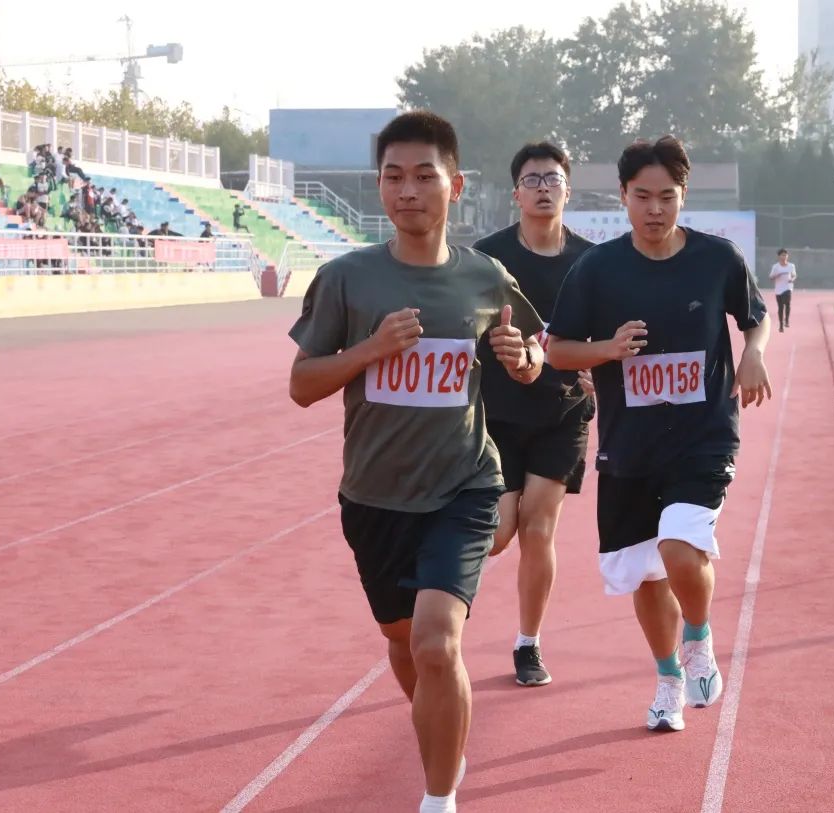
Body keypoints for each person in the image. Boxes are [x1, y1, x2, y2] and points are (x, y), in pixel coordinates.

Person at [287, 111, 546, 813]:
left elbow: (534, 348)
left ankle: (439, 797)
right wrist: (370, 350)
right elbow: (302, 385)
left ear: (455, 185)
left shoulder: (485, 277)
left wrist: (524, 360)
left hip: (464, 485)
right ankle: (442, 728)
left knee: (436, 642)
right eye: (393, 176)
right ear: (379, 187)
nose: (408, 191)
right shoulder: (347, 279)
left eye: (424, 176)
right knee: (405, 644)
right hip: (374, 497)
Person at [547, 136, 771, 733]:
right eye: (642, 196)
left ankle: (698, 637)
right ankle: (669, 678)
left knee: (678, 546)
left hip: (703, 436)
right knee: (645, 574)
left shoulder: (717, 259)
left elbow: (756, 318)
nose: (654, 209)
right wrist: (608, 349)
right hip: (630, 445)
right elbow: (558, 351)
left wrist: (753, 352)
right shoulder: (596, 269)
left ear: (683, 196)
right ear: (623, 195)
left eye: (666, 196)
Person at [472, 142, 595, 687]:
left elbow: (605, 334)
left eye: (552, 179)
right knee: (500, 533)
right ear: (515, 194)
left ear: (568, 189)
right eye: (532, 180)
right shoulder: (488, 260)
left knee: (539, 528)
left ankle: (528, 644)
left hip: (562, 411)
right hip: (497, 415)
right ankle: (440, 602)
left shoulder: (591, 262)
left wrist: (597, 367)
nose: (543, 188)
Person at [769, 248, 796, 332]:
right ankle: (781, 325)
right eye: (782, 255)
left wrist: (792, 279)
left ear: (787, 256)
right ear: (779, 256)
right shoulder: (776, 267)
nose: (784, 257)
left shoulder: (791, 266)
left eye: (785, 255)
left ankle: (786, 320)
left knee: (787, 303)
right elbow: (771, 277)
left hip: (788, 287)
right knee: (780, 307)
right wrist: (777, 275)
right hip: (778, 289)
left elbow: (794, 275)